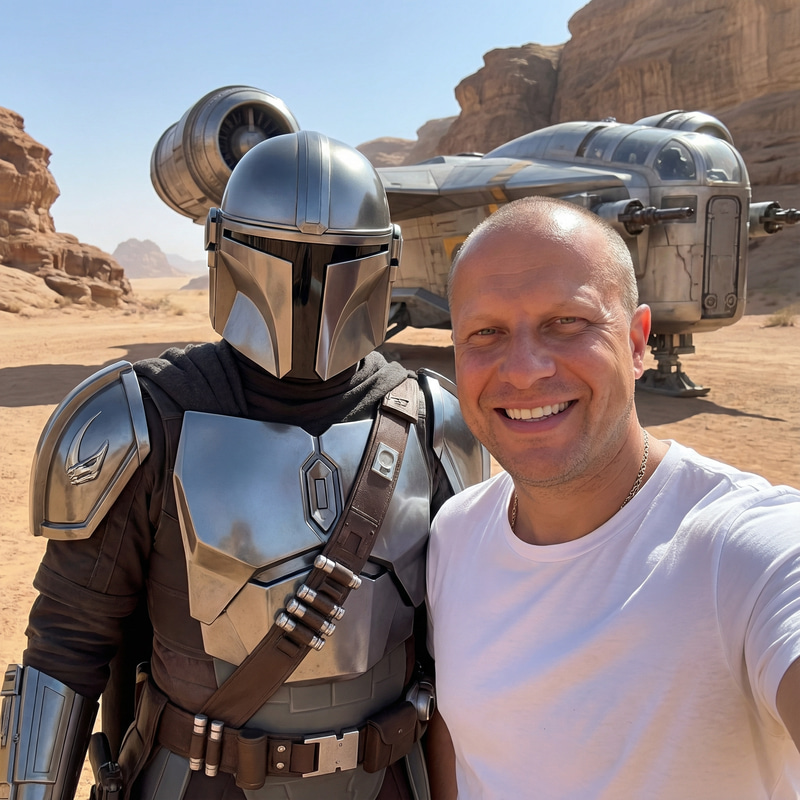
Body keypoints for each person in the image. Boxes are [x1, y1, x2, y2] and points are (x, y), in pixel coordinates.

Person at [1, 131, 487, 800]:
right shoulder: (139, 419)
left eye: (342, 258)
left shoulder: (436, 418)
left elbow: (466, 645)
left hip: (391, 781)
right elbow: (66, 645)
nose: (309, 284)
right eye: (278, 253)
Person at [425, 195, 800, 799]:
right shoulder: (454, 534)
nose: (522, 370)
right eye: (486, 332)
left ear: (636, 341)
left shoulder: (747, 552)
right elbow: (461, 742)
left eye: (566, 323)